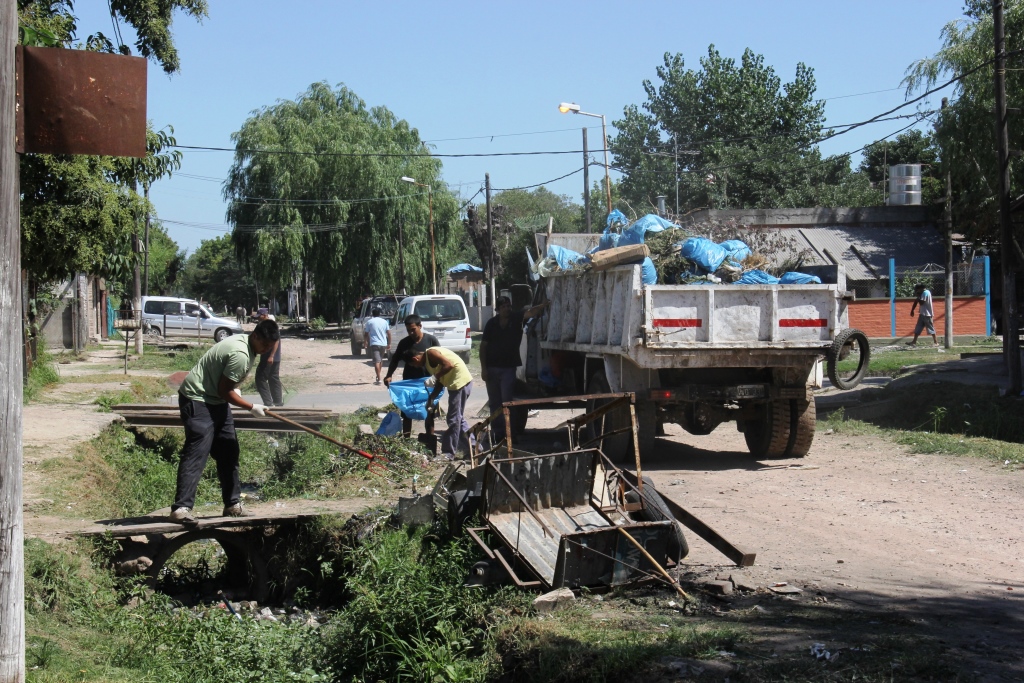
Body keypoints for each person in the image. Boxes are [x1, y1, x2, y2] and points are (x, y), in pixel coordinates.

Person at [168, 318, 280, 526]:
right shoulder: (240, 355)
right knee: (197, 452)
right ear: (255, 336)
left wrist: (234, 390)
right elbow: (224, 391)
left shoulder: (247, 344)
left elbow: (225, 386)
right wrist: (250, 407)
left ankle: (232, 504)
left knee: (229, 451)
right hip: (198, 399)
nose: (266, 350)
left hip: (215, 400)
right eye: (264, 345)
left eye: (270, 347)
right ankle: (181, 509)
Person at [480, 295, 549, 441]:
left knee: (507, 402)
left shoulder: (515, 318)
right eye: (503, 306)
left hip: (508, 368)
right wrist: (484, 369)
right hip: (492, 368)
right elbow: (483, 347)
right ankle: (498, 433)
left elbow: (530, 313)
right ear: (498, 309)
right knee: (494, 402)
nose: (507, 309)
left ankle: (509, 432)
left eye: (508, 306)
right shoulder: (491, 324)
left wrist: (542, 305)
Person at [406, 346, 473, 458]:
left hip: (460, 383)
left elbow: (449, 365)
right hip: (456, 384)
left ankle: (448, 453)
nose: (417, 367)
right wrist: (431, 398)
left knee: (453, 419)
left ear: (415, 359)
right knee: (458, 419)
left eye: (414, 365)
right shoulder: (428, 362)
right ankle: (475, 448)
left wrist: (434, 377)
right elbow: (440, 382)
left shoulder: (431, 353)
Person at [383, 314, 439, 436]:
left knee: (429, 412)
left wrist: (439, 378)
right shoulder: (404, 343)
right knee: (407, 413)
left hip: (428, 382)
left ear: (420, 326)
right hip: (409, 382)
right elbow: (395, 360)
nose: (411, 333)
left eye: (413, 329)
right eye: (408, 330)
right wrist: (389, 375)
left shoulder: (431, 340)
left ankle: (429, 439)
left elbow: (440, 359)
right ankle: (406, 440)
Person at [255, 310, 284, 407]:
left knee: (260, 378)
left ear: (264, 315)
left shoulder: (269, 325)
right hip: (275, 357)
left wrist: (271, 355)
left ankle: (268, 402)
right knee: (273, 378)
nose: (258, 318)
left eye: (260, 316)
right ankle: (278, 402)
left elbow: (276, 341)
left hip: (269, 357)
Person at [363, 307, 391, 385]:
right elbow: (389, 333)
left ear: (372, 314)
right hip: (383, 343)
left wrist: (365, 342)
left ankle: (379, 379)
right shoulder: (384, 322)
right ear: (380, 314)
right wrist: (389, 343)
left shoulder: (369, 322)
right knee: (380, 360)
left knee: (376, 361)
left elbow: (366, 333)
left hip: (374, 343)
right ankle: (378, 375)